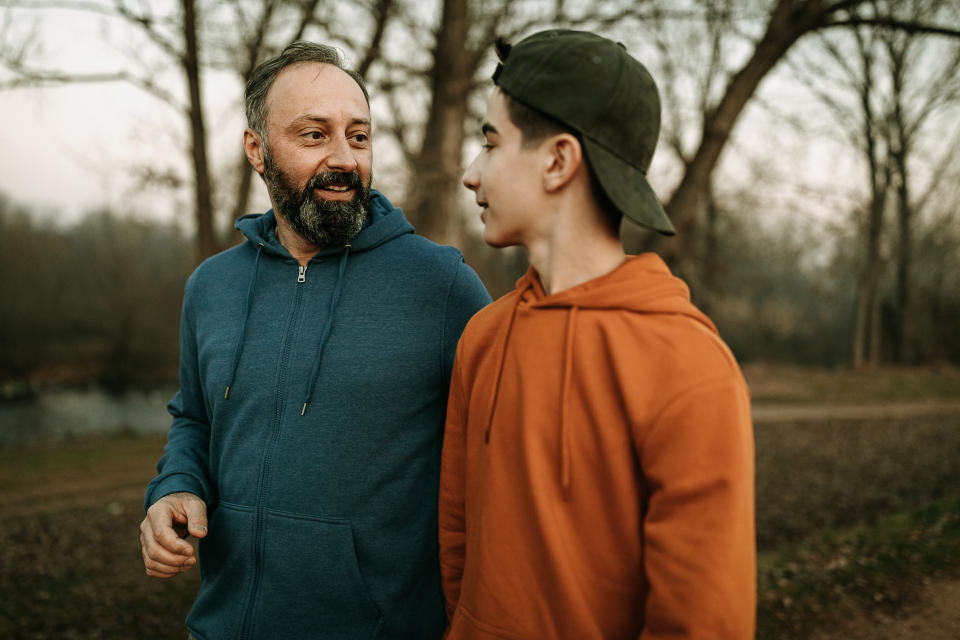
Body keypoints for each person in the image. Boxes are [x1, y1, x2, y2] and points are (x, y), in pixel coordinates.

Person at [139, 41, 490, 640]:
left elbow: (501, 461)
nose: (344, 159)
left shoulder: (442, 286)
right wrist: (175, 487)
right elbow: (194, 418)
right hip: (220, 627)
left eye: (358, 136)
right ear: (257, 149)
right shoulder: (212, 287)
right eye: (313, 135)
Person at [438, 30, 755, 639]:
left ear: (558, 161)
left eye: (490, 143)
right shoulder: (482, 337)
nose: (470, 173)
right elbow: (456, 543)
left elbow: (702, 623)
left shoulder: (690, 368)